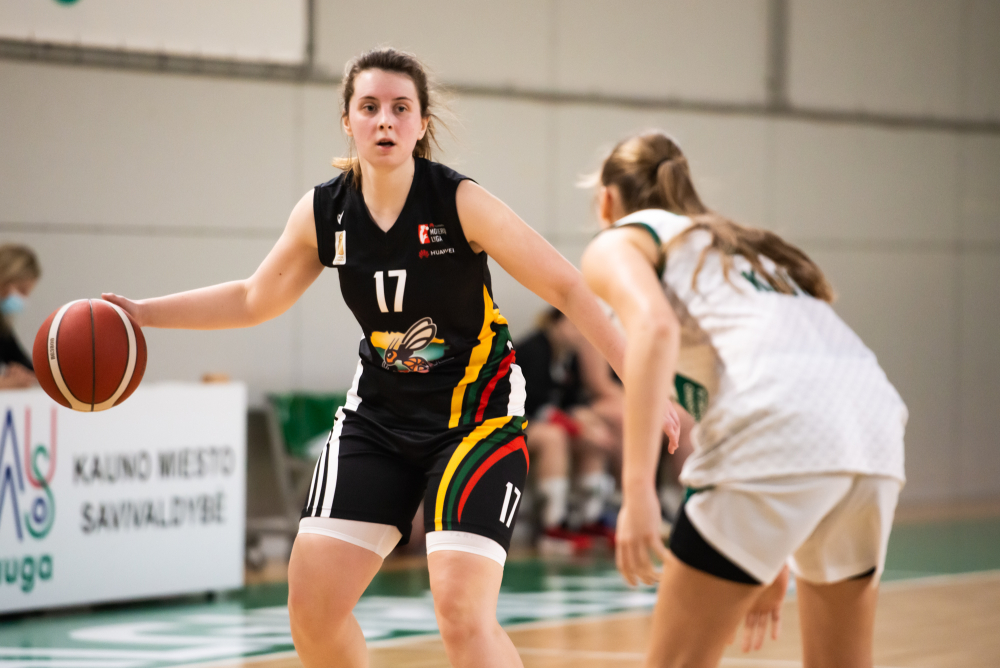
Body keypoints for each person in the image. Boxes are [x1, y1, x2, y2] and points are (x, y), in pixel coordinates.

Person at [103, 49, 677, 668]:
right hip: (378, 419)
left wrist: (641, 380)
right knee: (312, 611)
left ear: (421, 123)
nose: (385, 120)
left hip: (475, 419)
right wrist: (141, 313)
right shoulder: (325, 211)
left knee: (461, 614)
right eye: (370, 107)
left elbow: (567, 287)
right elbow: (252, 298)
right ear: (347, 121)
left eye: (401, 108)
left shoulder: (458, 202)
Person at [581, 131, 906, 668]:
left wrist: (637, 490)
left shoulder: (620, 241)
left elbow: (655, 330)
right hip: (872, 427)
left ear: (606, 200)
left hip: (779, 429)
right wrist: (770, 551)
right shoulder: (736, 244)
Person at [516, 308, 623, 551]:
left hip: (541, 423)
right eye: (573, 327)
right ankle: (552, 524)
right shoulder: (533, 350)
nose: (579, 334)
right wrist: (575, 425)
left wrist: (587, 422)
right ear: (554, 323)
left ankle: (589, 517)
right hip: (511, 425)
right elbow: (532, 404)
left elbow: (570, 402)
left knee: (594, 440)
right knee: (553, 437)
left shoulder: (567, 358)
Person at [0, 244, 41, 390]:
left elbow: (25, 365)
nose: (23, 299)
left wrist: (22, 374)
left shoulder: (2, 326)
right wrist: (5, 383)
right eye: (21, 290)